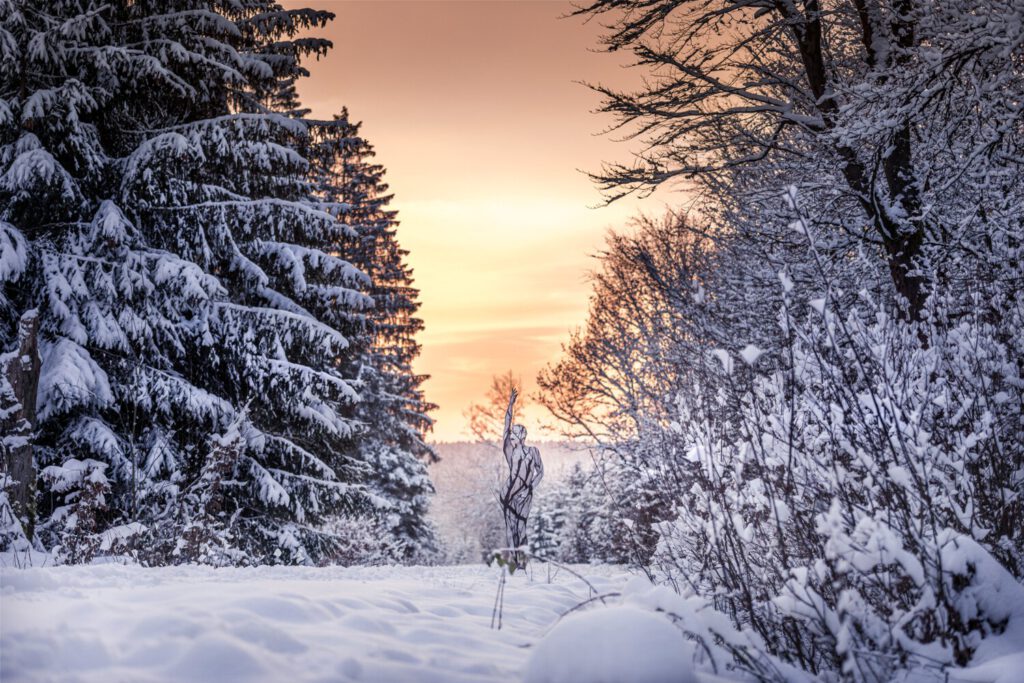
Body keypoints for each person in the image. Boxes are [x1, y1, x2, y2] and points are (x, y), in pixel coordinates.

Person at [499, 388, 543, 566]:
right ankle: (513, 562)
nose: (511, 439)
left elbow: (540, 472)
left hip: (526, 495)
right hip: (509, 494)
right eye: (511, 437)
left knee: (521, 527)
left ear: (521, 437)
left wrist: (530, 488)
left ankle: (522, 562)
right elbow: (505, 427)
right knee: (510, 528)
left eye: (514, 436)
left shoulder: (533, 452)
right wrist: (510, 405)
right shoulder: (509, 452)